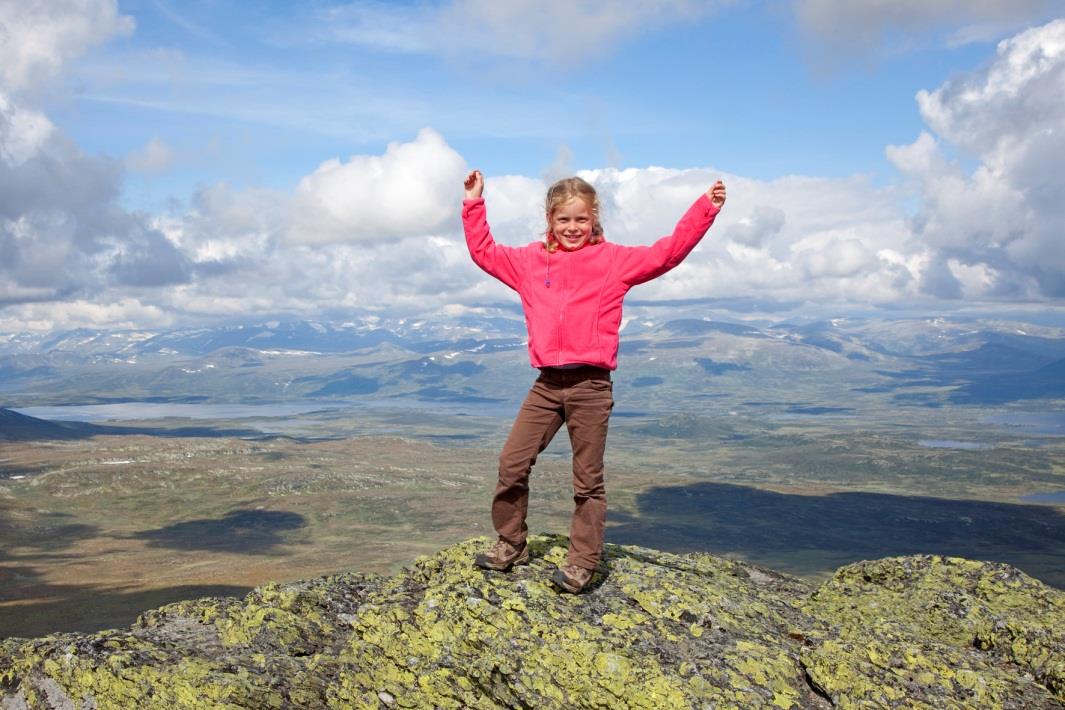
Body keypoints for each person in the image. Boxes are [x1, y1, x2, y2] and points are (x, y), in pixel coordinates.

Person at [462, 169, 726, 593]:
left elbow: (669, 252)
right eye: (563, 220)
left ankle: (582, 562)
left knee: (587, 480)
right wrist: (474, 202)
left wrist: (705, 208)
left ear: (594, 218)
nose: (572, 228)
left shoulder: (614, 261)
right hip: (547, 385)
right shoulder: (530, 262)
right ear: (550, 220)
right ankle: (511, 542)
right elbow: (483, 251)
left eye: (580, 220)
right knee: (512, 464)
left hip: (591, 386)